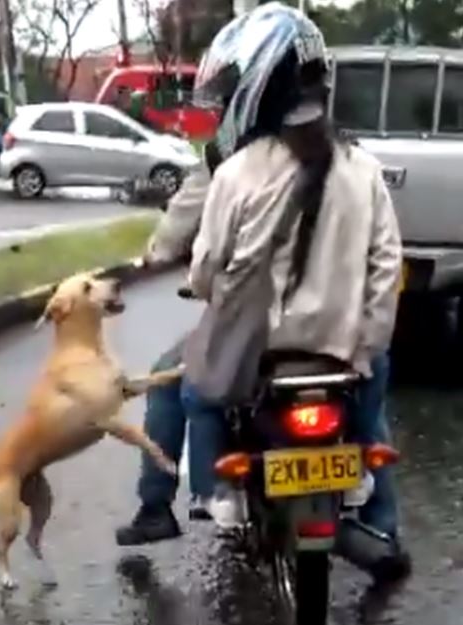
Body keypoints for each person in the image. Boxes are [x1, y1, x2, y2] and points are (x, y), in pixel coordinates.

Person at [115, 3, 410, 582]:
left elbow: (205, 265)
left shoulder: (236, 172)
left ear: (255, 88)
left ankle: (213, 493)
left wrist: (206, 289)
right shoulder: (362, 168)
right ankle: (378, 521)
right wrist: (368, 339)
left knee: (188, 380)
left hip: (257, 354)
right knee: (371, 409)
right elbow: (386, 265)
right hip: (341, 351)